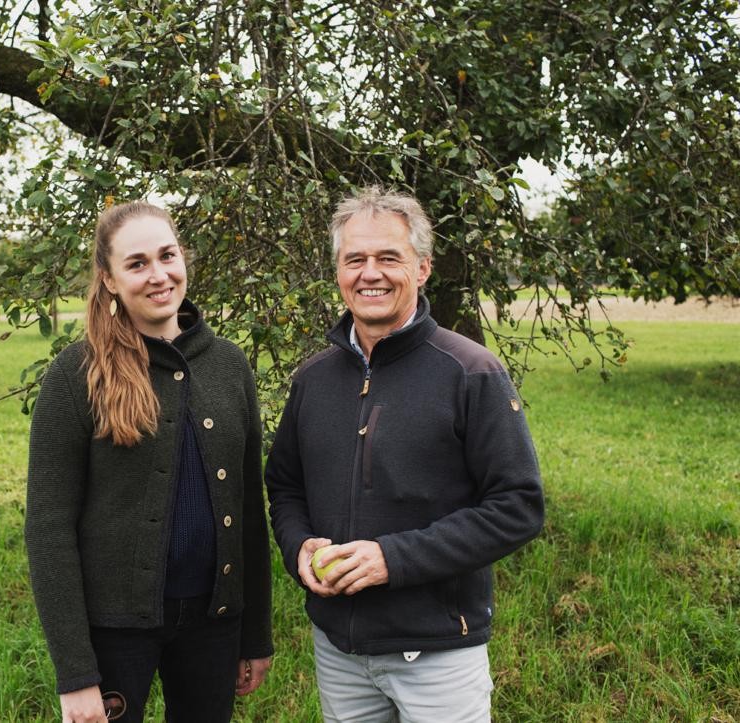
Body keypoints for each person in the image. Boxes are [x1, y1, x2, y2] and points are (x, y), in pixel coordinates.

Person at [264, 187, 544, 722]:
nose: (371, 273)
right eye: (355, 259)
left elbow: (518, 506)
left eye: (389, 257)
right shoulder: (313, 379)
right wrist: (299, 546)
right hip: (340, 651)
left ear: (422, 269)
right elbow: (285, 486)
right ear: (340, 272)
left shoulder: (470, 372)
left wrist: (391, 560)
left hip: (438, 652)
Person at [26, 201, 274, 723]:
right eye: (137, 264)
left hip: (214, 621)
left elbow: (250, 508)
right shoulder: (77, 376)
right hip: (115, 631)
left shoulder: (229, 365)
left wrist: (254, 634)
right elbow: (49, 528)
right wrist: (75, 673)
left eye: (168, 255)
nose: (159, 275)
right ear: (110, 280)